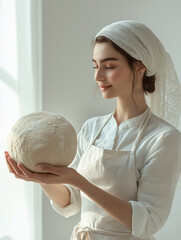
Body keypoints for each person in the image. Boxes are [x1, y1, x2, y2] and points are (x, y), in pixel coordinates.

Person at [4, 20, 181, 240]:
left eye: (109, 66)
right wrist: (39, 177)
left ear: (139, 66)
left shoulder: (163, 138)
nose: (98, 77)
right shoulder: (92, 128)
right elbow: (71, 201)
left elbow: (149, 220)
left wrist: (78, 180)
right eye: (95, 66)